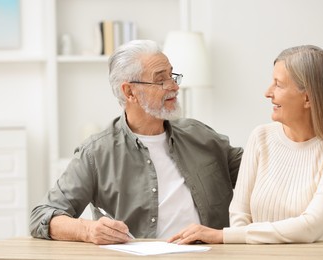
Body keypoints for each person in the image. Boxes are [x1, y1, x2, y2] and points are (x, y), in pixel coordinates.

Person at [29, 40, 243, 245]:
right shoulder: (97, 153)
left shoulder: (201, 136)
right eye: (161, 79)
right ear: (129, 92)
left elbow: (258, 168)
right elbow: (42, 216)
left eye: (172, 76)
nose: (174, 87)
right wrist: (89, 230)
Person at [168, 45, 323, 244]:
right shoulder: (261, 137)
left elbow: (310, 226)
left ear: (307, 97)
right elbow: (240, 213)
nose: (268, 93)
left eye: (278, 85)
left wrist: (223, 236)